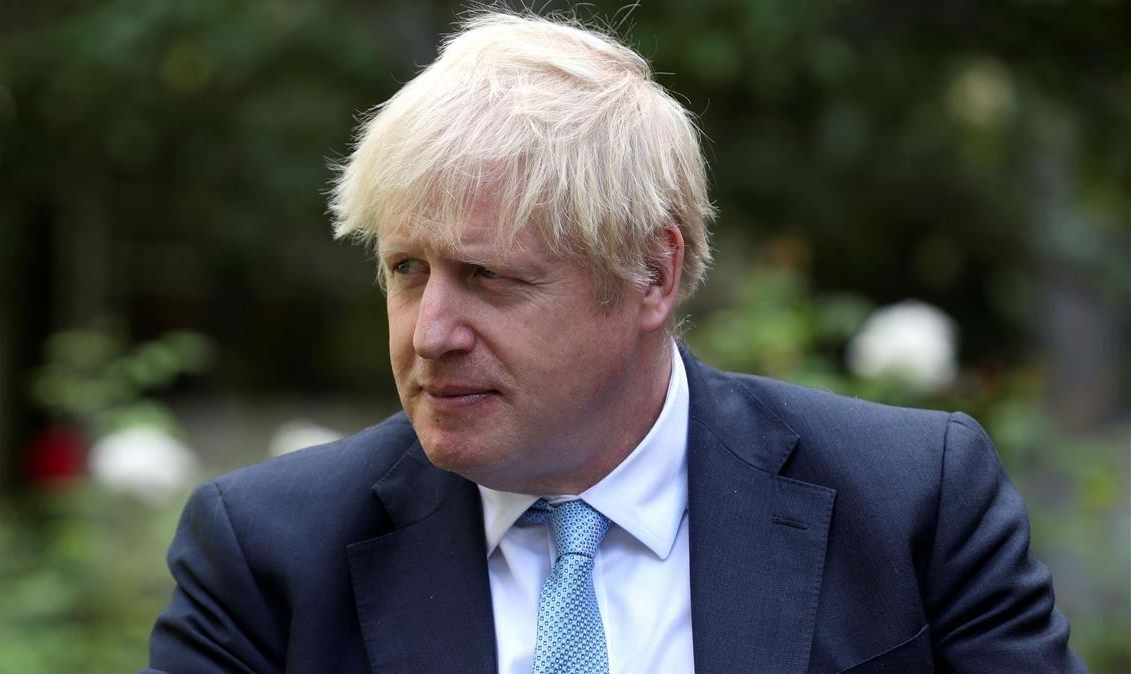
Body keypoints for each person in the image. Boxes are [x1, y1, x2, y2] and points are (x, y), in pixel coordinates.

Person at [143, 11, 1086, 674]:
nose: (430, 333)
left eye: (489, 277)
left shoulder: (910, 503)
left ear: (652, 274)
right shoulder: (268, 555)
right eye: (405, 271)